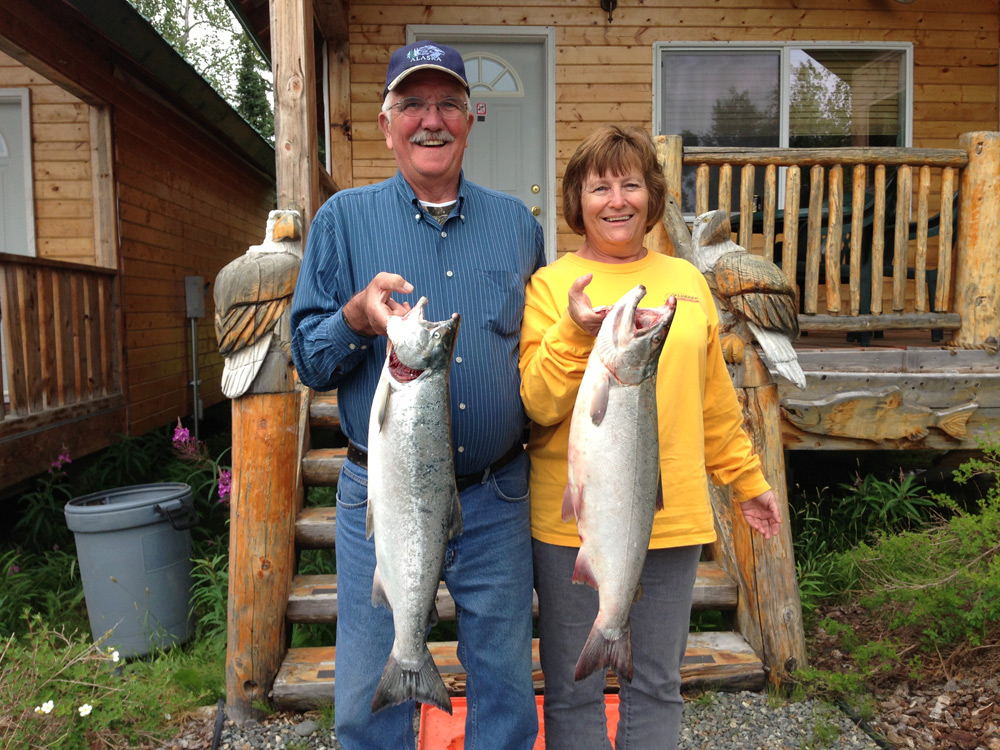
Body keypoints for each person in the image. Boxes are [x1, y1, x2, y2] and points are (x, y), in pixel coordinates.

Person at [290, 41, 545, 750]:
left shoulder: (518, 228)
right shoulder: (341, 220)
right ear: (385, 122)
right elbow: (309, 358)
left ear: (472, 117)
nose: (430, 121)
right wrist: (353, 317)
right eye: (413, 105)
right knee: (366, 702)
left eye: (447, 104)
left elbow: (544, 350)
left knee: (505, 687)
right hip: (383, 497)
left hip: (497, 497)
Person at [518, 124, 781, 750]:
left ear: (652, 196)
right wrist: (578, 332)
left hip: (674, 519)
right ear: (576, 200)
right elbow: (538, 402)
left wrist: (746, 481)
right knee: (572, 689)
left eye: (631, 184)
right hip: (573, 527)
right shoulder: (552, 287)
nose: (616, 200)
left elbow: (714, 401)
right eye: (599, 186)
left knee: (657, 683)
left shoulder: (688, 283)